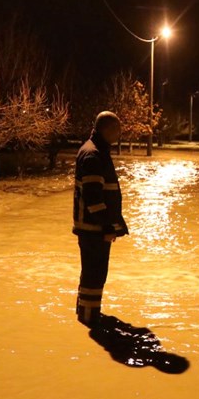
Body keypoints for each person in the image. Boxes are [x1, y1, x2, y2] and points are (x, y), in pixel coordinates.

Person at [73, 111, 129, 327]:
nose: (120, 133)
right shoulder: (94, 155)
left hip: (92, 227)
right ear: (108, 129)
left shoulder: (95, 150)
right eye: (118, 129)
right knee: (94, 275)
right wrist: (107, 226)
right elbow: (93, 197)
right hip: (93, 228)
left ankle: (86, 313)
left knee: (92, 273)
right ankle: (89, 319)